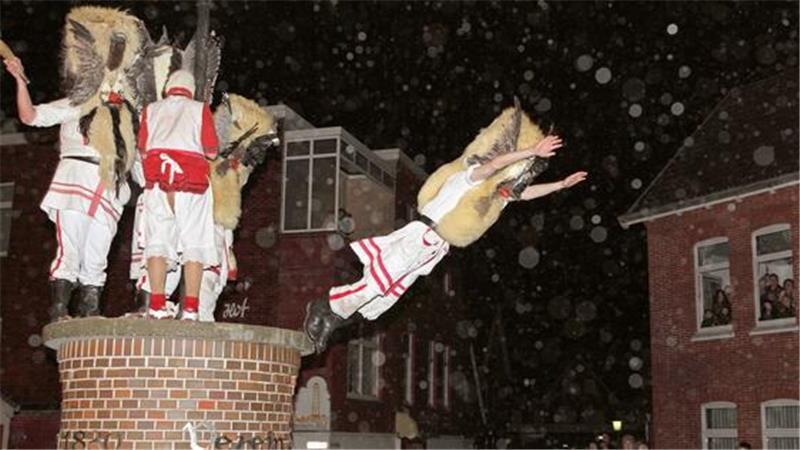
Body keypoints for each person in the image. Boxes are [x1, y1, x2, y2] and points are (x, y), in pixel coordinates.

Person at [304, 134, 587, 352]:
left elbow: (522, 194)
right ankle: (323, 304)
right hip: (419, 237)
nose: (512, 186)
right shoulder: (469, 180)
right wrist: (532, 151)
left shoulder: (491, 200)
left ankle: (333, 320)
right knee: (377, 284)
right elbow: (495, 165)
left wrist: (560, 185)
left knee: (380, 302)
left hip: (433, 252)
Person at [4, 56, 131, 321]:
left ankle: (90, 315)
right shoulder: (78, 104)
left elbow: (141, 161)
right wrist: (19, 79)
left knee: (97, 258)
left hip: (109, 187)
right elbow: (30, 116)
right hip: (75, 180)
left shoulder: (128, 120)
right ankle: (60, 310)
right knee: (70, 251)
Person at [138, 70, 219, 320]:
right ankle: (191, 309)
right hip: (190, 182)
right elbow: (212, 152)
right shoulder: (199, 109)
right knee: (195, 243)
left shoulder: (150, 110)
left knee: (158, 243)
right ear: (191, 90)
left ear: (167, 88)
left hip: (158, 182)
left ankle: (157, 305)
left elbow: (142, 149)